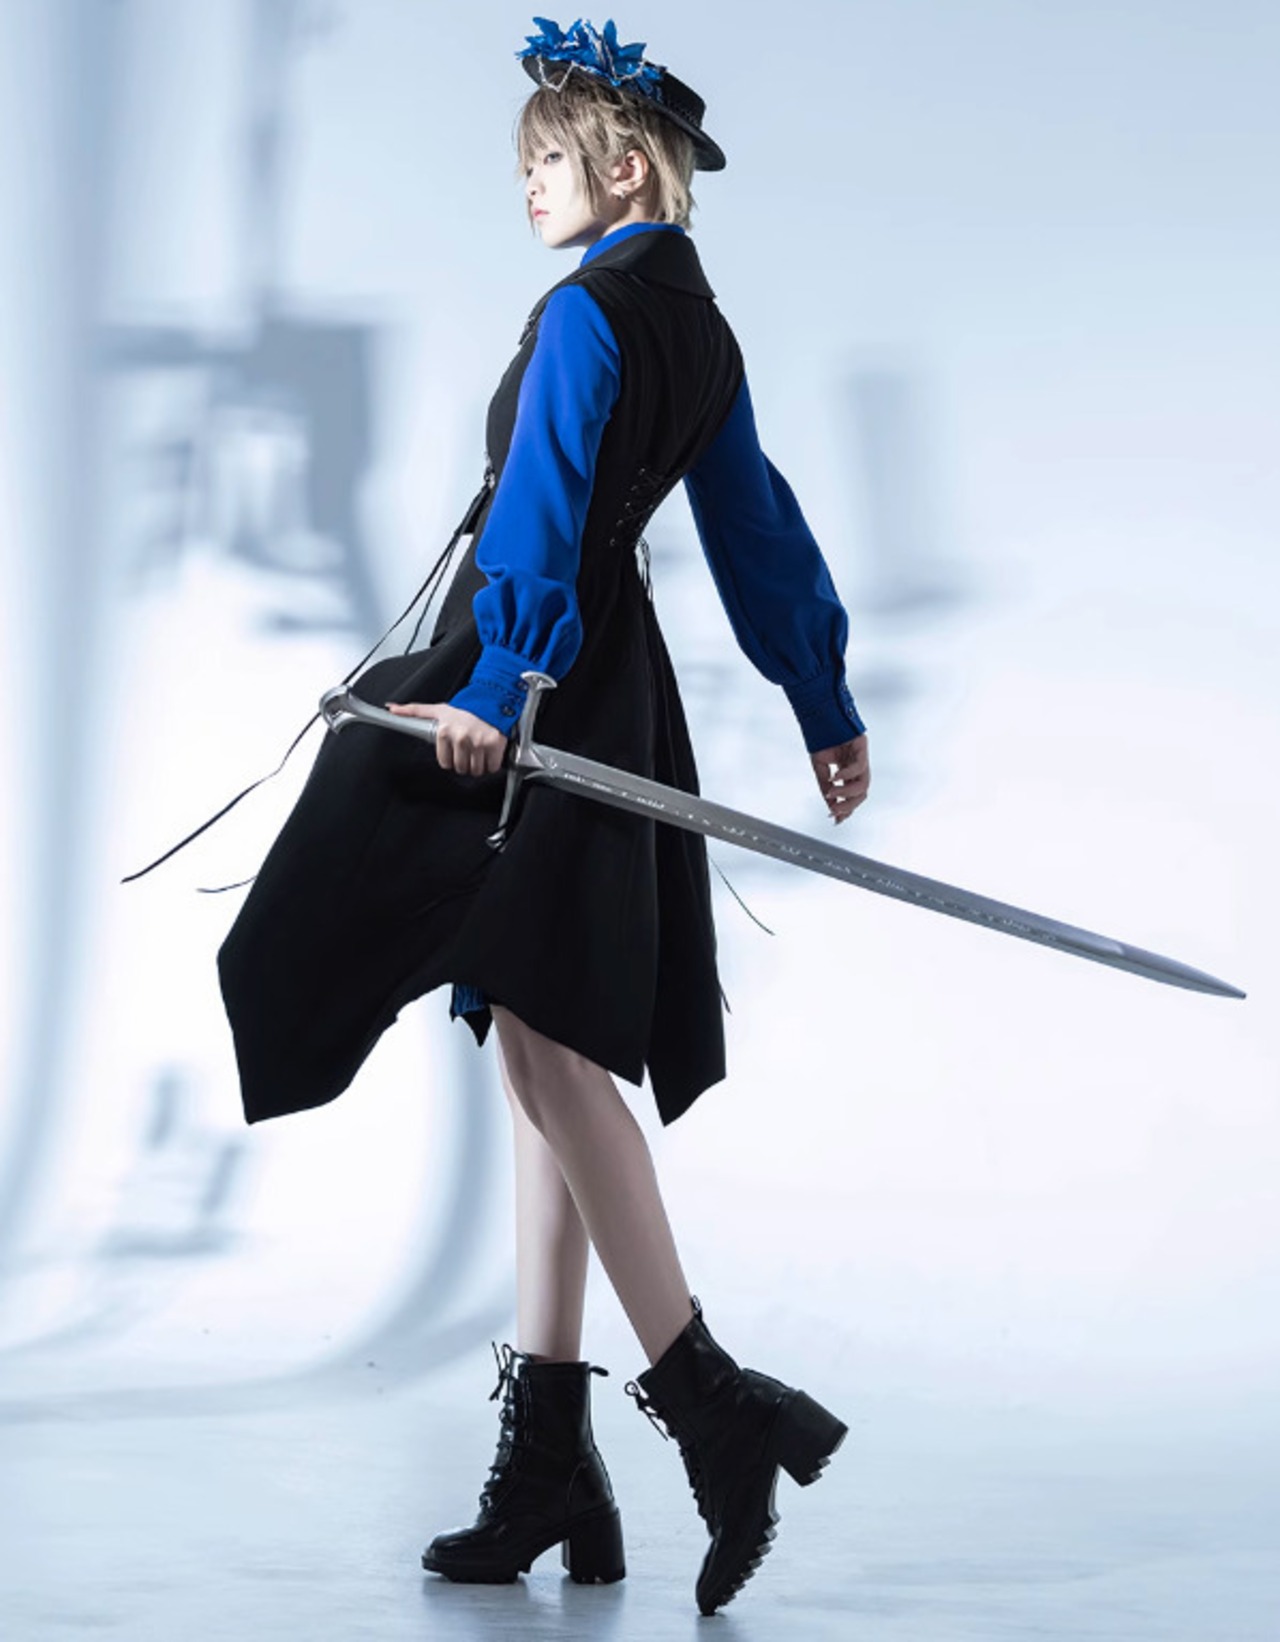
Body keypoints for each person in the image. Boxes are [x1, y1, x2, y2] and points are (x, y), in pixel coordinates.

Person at [216, 15, 870, 1618]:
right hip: (610, 676)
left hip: (549, 682)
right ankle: (552, 1456)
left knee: (553, 1049)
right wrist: (822, 697)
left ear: (626, 168)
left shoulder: (588, 312)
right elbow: (758, 531)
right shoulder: (701, 330)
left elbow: (548, 502)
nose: (525, 186)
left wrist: (501, 683)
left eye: (547, 161)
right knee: (533, 1029)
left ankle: (712, 1404)